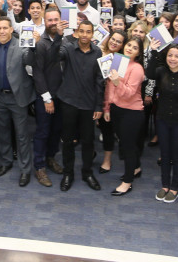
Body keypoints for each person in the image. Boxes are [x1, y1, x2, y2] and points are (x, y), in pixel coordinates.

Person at [0, 16, 36, 187]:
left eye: (4, 28)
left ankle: (25, 170)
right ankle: (6, 162)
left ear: (11, 30)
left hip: (17, 97)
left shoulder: (22, 44)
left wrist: (32, 47)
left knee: (22, 135)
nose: (1, 31)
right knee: (2, 132)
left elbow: (30, 61)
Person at [57, 20, 105, 192]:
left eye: (88, 32)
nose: (85, 35)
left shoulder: (98, 52)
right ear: (76, 32)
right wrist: (58, 36)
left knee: (88, 141)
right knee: (68, 140)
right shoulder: (68, 48)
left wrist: (99, 106)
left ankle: (87, 172)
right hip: (69, 101)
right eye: (82, 31)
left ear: (92, 34)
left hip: (88, 104)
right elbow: (56, 54)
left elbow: (100, 81)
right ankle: (68, 173)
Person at [148, 43, 178, 203]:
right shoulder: (161, 72)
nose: (173, 59)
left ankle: (175, 187)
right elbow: (149, 76)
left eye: (176, 56)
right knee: (165, 154)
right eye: (170, 55)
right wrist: (154, 53)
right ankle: (165, 185)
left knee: (177, 156)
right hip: (162, 121)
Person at [103, 36, 147, 196]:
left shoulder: (137, 68)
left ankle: (127, 182)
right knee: (126, 143)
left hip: (132, 112)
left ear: (139, 52)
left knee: (128, 147)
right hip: (116, 109)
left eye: (135, 48)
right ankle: (136, 168)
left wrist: (116, 81)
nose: (130, 48)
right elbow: (109, 88)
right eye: (129, 45)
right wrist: (107, 108)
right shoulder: (117, 61)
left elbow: (128, 93)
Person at [31, 6, 67, 187]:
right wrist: (47, 98)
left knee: (56, 131)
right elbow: (38, 72)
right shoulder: (41, 43)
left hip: (63, 96)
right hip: (46, 96)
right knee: (43, 132)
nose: (53, 23)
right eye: (50, 20)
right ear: (44, 22)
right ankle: (39, 166)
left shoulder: (66, 39)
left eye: (56, 19)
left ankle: (51, 158)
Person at [97, 29, 127, 174]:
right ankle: (98, 157)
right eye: (113, 39)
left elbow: (116, 85)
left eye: (119, 41)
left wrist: (106, 106)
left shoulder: (121, 60)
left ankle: (108, 160)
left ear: (122, 45)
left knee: (110, 131)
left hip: (110, 100)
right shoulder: (98, 51)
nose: (114, 43)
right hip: (93, 95)